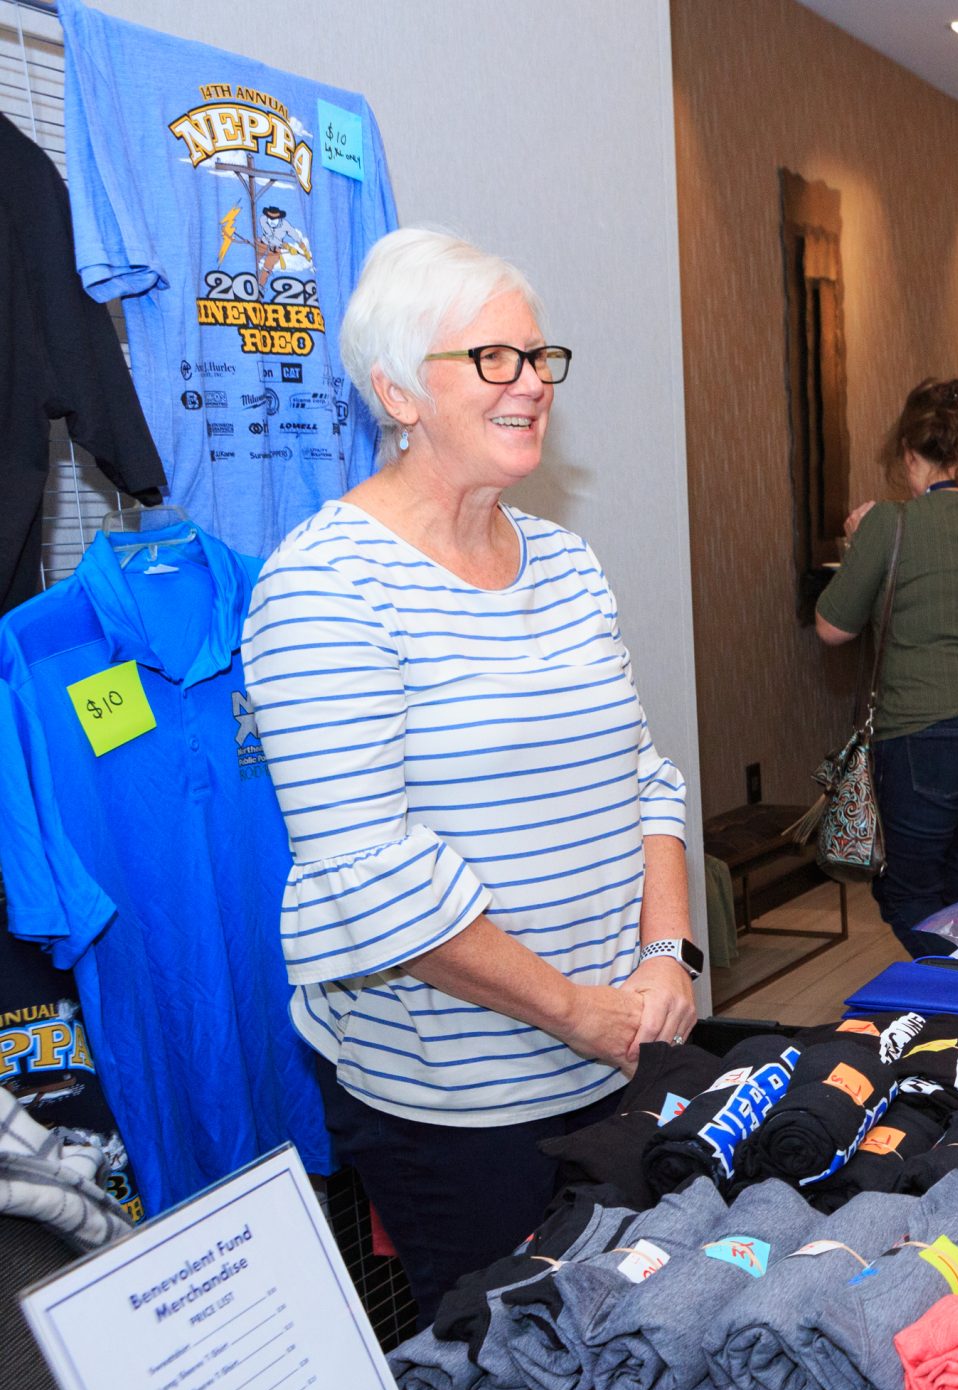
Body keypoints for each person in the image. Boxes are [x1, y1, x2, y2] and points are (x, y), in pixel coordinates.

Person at [242, 230, 696, 1317]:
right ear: (397, 390)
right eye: (494, 358)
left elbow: (644, 778)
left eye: (538, 357)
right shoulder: (323, 585)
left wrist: (665, 954)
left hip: (620, 1055)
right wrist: (575, 1012)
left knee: (644, 1344)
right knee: (512, 1376)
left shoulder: (567, 562)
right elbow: (373, 878)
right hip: (459, 1111)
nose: (531, 382)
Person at [816, 378, 958, 957]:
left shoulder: (886, 523)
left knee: (907, 892)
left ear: (908, 455)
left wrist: (857, 546)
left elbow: (832, 627)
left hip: (927, 736)